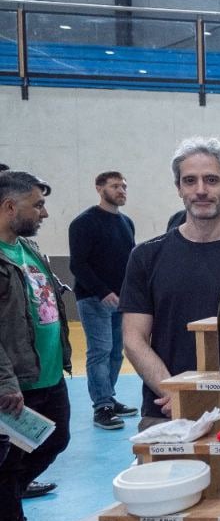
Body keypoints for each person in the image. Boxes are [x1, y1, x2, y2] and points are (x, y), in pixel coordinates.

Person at [120, 138, 220, 492]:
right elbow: (133, 337)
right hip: (165, 412)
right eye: (190, 181)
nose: (201, 190)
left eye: (212, 180)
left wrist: (215, 392)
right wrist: (179, 393)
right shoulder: (146, 258)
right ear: (179, 189)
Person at [0, 171, 72, 521]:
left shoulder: (27, 249)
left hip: (48, 374)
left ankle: (6, 504)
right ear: (10, 207)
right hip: (14, 384)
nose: (44, 213)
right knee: (10, 462)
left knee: (55, 439)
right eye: (37, 205)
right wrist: (4, 381)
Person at [68, 170, 137, 430]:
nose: (121, 190)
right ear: (99, 188)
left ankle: (109, 397)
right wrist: (102, 291)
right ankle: (102, 407)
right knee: (100, 351)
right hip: (94, 300)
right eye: (115, 186)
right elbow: (78, 264)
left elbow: (130, 262)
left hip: (122, 301)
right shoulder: (84, 222)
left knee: (117, 353)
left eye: (124, 186)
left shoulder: (126, 222)